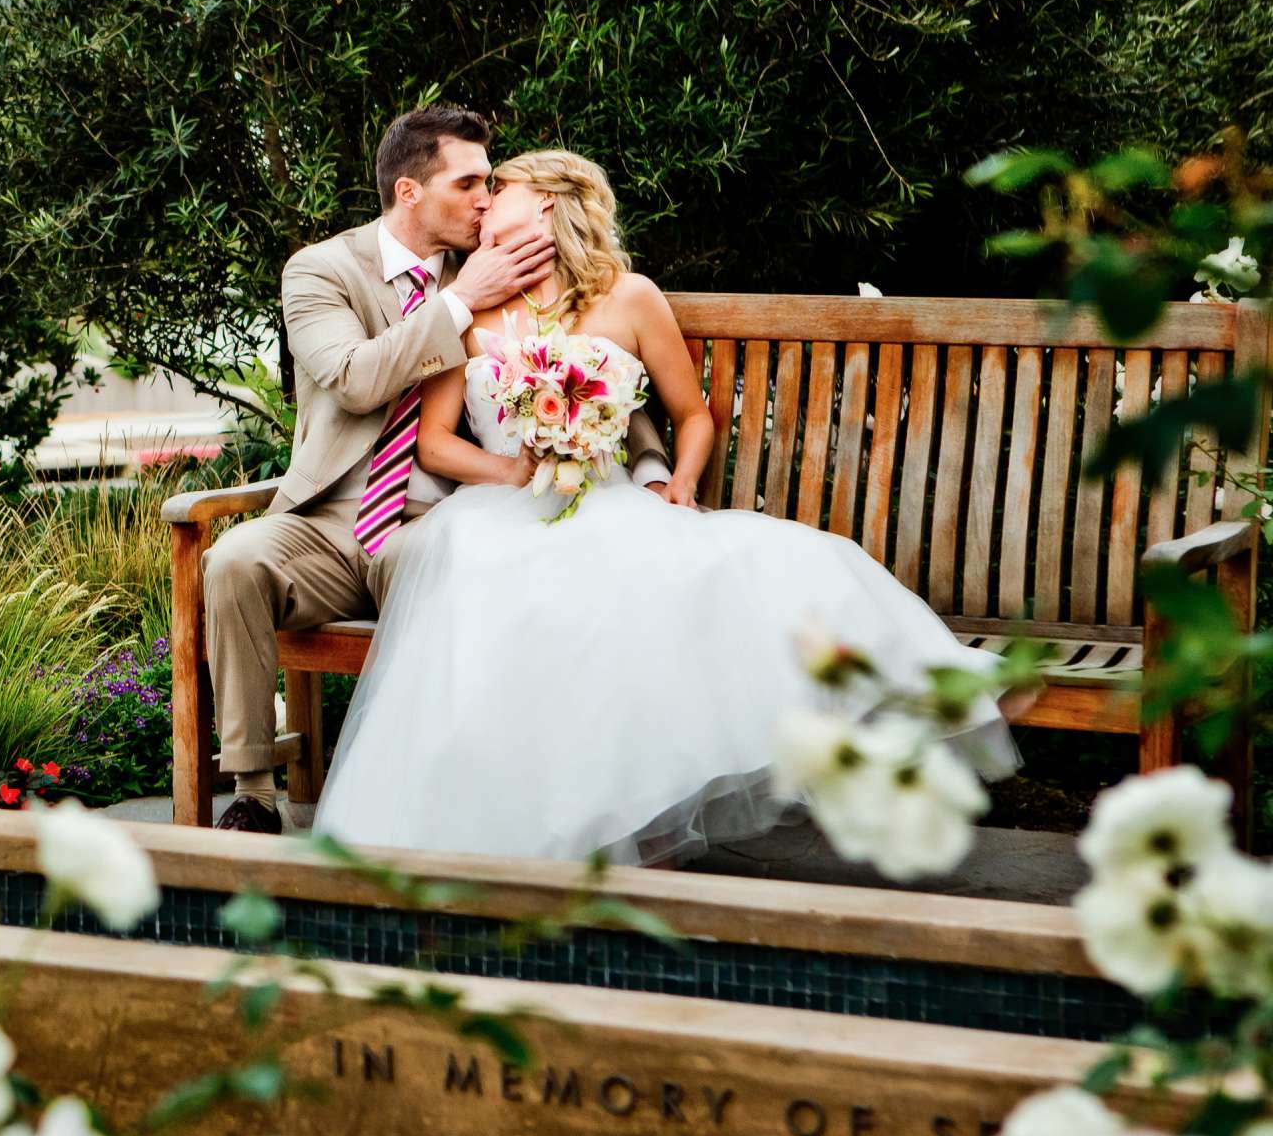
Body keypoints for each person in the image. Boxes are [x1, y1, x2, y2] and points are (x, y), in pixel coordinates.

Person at [311, 149, 1017, 865]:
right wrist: (509, 467)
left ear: (550, 204)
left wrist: (679, 483)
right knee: (518, 593)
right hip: (503, 508)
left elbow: (694, 412)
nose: (485, 203)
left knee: (731, 571)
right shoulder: (467, 306)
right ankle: (518, 829)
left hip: (612, 497)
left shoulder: (631, 297)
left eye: (501, 188)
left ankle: (640, 815)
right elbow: (433, 445)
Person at [200, 109, 674, 834]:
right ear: (409, 192)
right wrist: (458, 302)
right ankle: (254, 789)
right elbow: (354, 379)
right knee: (233, 559)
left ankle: (455, 802)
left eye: (491, 184)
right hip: (331, 517)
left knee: (467, 575)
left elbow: (596, 373)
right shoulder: (324, 271)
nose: (488, 200)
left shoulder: (500, 266)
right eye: (470, 184)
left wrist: (647, 466)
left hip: (441, 518)